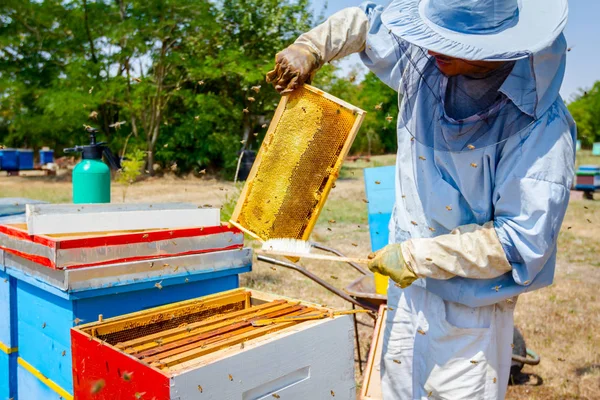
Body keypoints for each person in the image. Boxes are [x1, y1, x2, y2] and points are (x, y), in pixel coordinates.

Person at [266, 0, 575, 399]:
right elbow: (364, 23)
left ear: (493, 44)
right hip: (406, 291)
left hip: (469, 314)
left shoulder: (543, 130)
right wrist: (311, 47)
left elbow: (521, 240)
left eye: (449, 43)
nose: (431, 48)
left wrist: (419, 257)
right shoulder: (426, 61)